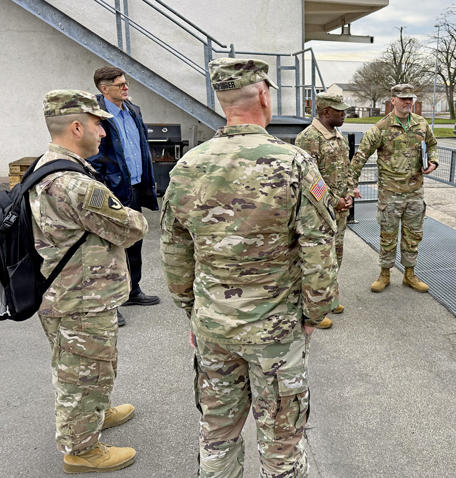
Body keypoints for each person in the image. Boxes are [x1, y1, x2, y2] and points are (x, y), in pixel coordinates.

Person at [160, 58, 338, 477]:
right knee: (281, 442)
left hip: (213, 324)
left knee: (216, 434)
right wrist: (314, 313)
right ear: (263, 95)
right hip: (275, 329)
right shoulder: (293, 163)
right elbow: (318, 246)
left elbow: (174, 248)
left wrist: (192, 310)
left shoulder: (188, 166)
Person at [31, 90, 149, 472]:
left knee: (81, 365)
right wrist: (136, 217)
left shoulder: (44, 166)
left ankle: (96, 412)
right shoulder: (76, 184)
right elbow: (131, 227)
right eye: (98, 124)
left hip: (62, 290)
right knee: (83, 372)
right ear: (76, 127)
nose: (103, 132)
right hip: (81, 297)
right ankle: (81, 451)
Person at [88, 67, 160, 326]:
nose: (126, 88)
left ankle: (132, 290)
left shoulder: (132, 110)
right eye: (120, 85)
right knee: (109, 246)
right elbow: (94, 155)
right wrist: (105, 184)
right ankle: (110, 302)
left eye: (126, 83)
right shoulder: (96, 115)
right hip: (113, 188)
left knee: (133, 240)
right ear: (104, 88)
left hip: (136, 186)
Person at [349, 84, 438, 294]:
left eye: (410, 98)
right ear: (393, 100)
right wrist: (351, 185)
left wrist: (433, 161)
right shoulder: (381, 128)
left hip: (415, 192)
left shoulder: (421, 124)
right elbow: (360, 156)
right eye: (403, 98)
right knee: (388, 235)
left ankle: (410, 274)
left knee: (413, 235)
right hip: (390, 194)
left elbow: (432, 145)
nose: (408, 102)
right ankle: (384, 273)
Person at [295, 92, 352, 329]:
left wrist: (349, 194)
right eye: (340, 110)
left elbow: (347, 169)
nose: (345, 114)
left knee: (335, 256)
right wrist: (334, 201)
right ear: (326, 112)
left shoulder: (339, 137)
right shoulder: (309, 138)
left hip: (339, 211)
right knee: (316, 262)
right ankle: (312, 309)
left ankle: (328, 299)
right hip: (317, 214)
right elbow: (310, 181)